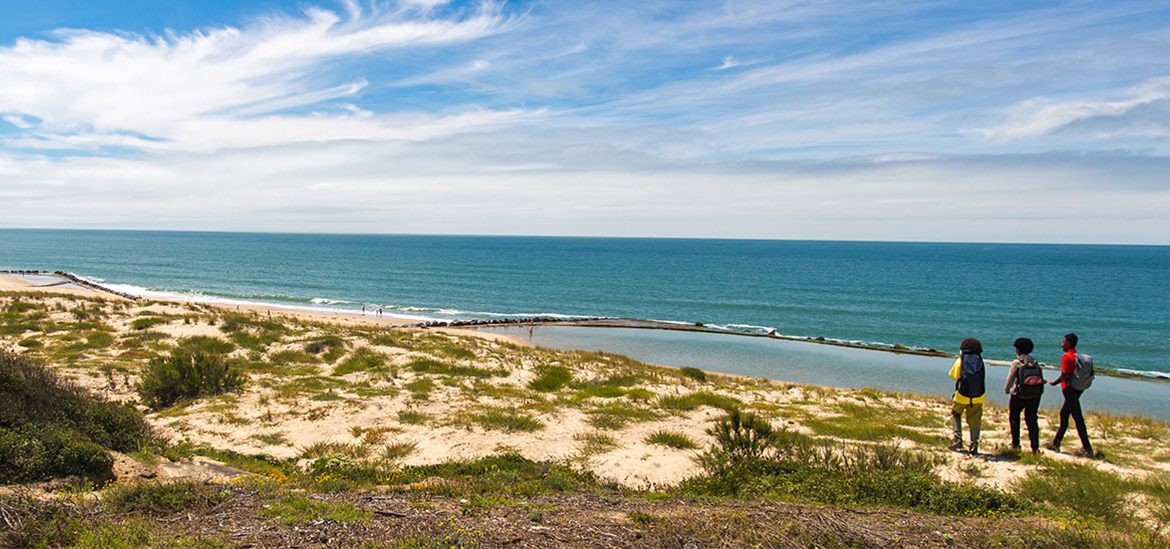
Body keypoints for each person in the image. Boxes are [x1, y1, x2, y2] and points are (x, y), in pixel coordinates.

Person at [1047, 333, 1094, 457]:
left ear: (1068, 343)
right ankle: (1056, 442)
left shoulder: (1067, 357)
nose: (1061, 344)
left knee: (1077, 418)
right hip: (1078, 389)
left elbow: (1065, 375)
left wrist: (1054, 383)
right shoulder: (1077, 356)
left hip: (1070, 390)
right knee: (1064, 414)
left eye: (1063, 342)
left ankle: (1087, 448)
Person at [1004, 337, 1044, 454]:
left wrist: (1007, 390)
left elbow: (1010, 378)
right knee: (1032, 420)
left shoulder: (1017, 363)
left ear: (1018, 349)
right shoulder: (1035, 362)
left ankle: (1016, 443)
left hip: (1019, 394)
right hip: (1034, 395)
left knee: (1014, 419)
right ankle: (1035, 447)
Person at [949, 338, 986, 454]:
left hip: (962, 395)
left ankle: (957, 439)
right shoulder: (980, 360)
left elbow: (954, 375)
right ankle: (974, 444)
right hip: (978, 396)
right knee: (975, 420)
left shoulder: (961, 360)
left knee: (956, 414)